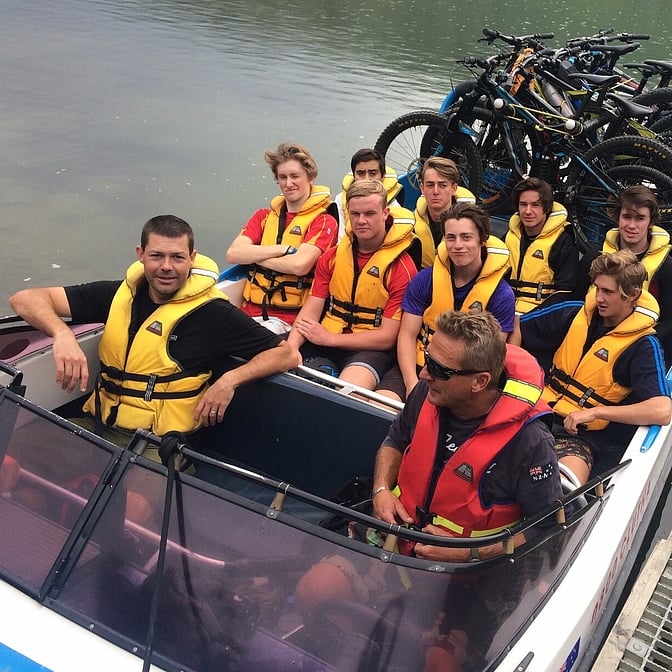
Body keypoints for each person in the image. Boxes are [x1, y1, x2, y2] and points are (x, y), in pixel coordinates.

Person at [9, 215, 298, 446]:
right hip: (99, 425)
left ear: (192, 258)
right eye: (157, 256)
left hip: (159, 444)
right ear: (141, 255)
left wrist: (229, 381)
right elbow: (25, 299)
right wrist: (62, 334)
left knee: (132, 500)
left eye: (177, 257)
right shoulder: (116, 295)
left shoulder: (214, 313)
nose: (166, 267)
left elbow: (286, 354)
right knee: (15, 455)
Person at [521, 249, 672, 484]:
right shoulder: (574, 312)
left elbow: (661, 410)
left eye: (608, 292)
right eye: (597, 288)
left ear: (632, 295)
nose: (599, 298)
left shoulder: (643, 346)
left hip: (579, 437)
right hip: (535, 413)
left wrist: (596, 412)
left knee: (563, 486)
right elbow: (514, 327)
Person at [287, 179, 418, 394]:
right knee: (270, 356)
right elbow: (311, 310)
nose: (361, 221)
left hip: (368, 349)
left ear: (385, 214)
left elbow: (387, 338)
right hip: (326, 334)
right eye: (355, 214)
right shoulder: (332, 257)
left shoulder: (401, 268)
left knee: (347, 393)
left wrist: (331, 339)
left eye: (370, 213)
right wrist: (291, 347)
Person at [395, 202, 514, 398]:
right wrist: (412, 385)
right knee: (383, 402)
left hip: (460, 381)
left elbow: (489, 357)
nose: (458, 245)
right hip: (417, 367)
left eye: (466, 237)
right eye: (451, 237)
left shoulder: (501, 295)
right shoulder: (425, 280)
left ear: (482, 240)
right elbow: (407, 335)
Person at [225, 143, 338, 334]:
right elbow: (234, 254)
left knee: (242, 339)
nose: (288, 183)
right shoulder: (263, 217)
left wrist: (254, 257)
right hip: (248, 312)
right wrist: (282, 250)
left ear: (311, 177)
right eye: (282, 177)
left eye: (295, 176)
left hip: (287, 319)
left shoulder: (324, 221)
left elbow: (299, 265)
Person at [578, 185, 672, 362]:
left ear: (651, 222)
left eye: (640, 218)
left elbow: (669, 321)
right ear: (617, 218)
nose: (631, 225)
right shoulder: (593, 256)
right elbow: (575, 302)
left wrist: (635, 345)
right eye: (626, 217)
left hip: (638, 351)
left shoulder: (666, 267)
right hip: (590, 341)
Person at [504, 177, 579, 345]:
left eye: (535, 205)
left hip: (540, 318)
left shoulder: (563, 241)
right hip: (505, 311)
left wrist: (527, 320)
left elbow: (564, 292)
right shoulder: (508, 237)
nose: (528, 211)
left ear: (546, 207)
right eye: (523, 205)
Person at [413, 157, 476, 268]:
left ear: (454, 189)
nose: (435, 191)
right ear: (422, 188)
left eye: (442, 185)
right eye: (430, 185)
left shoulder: (474, 225)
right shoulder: (411, 226)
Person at [334, 147, 404, 240]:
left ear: (382, 176)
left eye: (373, 173)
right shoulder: (340, 200)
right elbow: (339, 238)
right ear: (354, 176)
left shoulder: (394, 206)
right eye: (361, 173)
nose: (366, 179)